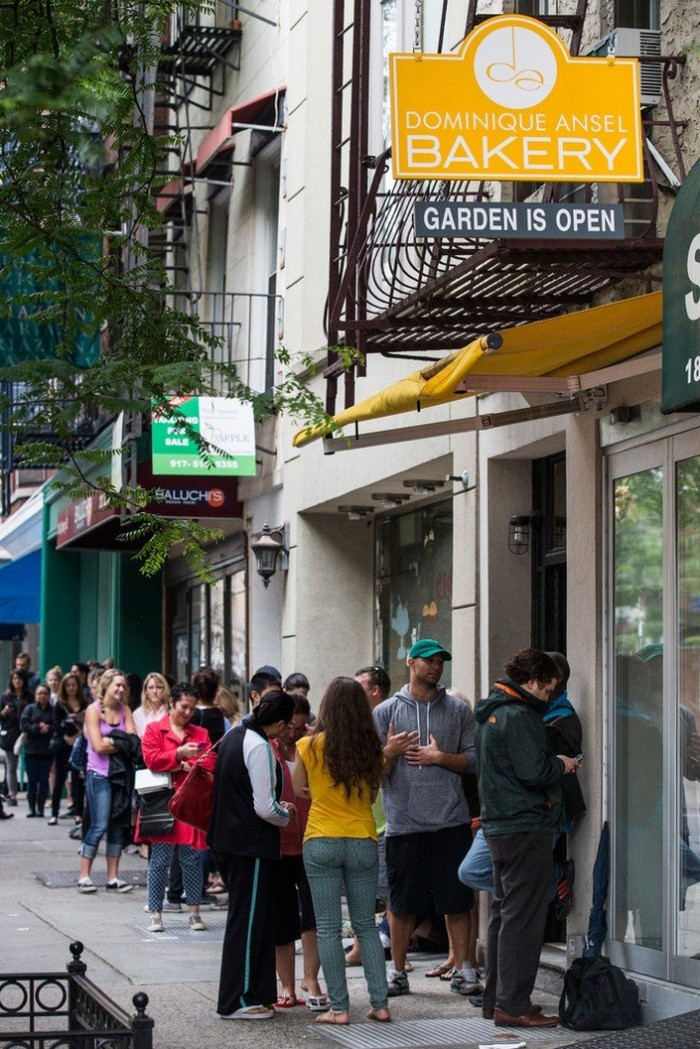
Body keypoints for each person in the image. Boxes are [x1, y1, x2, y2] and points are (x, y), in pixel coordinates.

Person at [475, 648, 580, 1029]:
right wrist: (562, 765)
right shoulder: (518, 715)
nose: (550, 697)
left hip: (502, 827)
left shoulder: (493, 711)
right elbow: (534, 771)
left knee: (505, 915)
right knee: (523, 919)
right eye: (548, 689)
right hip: (525, 827)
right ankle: (513, 1005)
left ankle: (497, 1000)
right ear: (533, 682)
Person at [373, 638, 478, 998]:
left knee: (457, 901)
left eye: (440, 661)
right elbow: (372, 773)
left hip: (451, 822)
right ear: (411, 662)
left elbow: (476, 761)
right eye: (429, 660)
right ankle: (397, 971)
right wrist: (389, 752)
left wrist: (440, 758)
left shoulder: (458, 711)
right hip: (404, 825)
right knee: (401, 904)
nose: (436, 666)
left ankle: (464, 969)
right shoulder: (385, 712)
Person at [293, 676, 390, 1026]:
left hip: (321, 838)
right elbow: (373, 794)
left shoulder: (308, 745)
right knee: (366, 926)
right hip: (362, 838)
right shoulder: (372, 749)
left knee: (328, 928)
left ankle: (339, 1008)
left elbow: (299, 789)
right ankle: (380, 1004)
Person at [209, 689, 295, 1021]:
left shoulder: (235, 735)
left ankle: (253, 994)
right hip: (251, 846)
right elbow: (264, 807)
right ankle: (240, 1000)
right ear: (281, 723)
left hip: (229, 841)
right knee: (247, 924)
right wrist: (285, 813)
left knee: (247, 921)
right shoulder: (259, 746)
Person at [137, 683, 215, 933]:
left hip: (190, 805)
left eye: (192, 708)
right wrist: (179, 756)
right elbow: (151, 759)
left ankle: (194, 912)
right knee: (160, 860)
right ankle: (155, 912)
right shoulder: (154, 729)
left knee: (191, 858)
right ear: (172, 703)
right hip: (163, 803)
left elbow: (209, 762)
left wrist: (185, 763)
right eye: (184, 706)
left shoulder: (200, 733)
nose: (188, 712)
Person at [270, 692, 328, 1011]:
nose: (292, 733)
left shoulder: (313, 744)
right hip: (279, 842)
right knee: (282, 917)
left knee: (312, 914)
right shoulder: (268, 747)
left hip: (311, 838)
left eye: (300, 726)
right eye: (289, 726)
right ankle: (286, 985)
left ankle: (310, 978)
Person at [344, 665, 392, 969]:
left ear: (375, 690)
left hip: (385, 819)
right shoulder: (356, 725)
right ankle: (362, 946)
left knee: (387, 891)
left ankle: (391, 948)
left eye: (359, 687)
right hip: (359, 819)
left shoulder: (388, 721)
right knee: (360, 889)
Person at [78, 668, 138, 894]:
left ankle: (112, 878)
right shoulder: (93, 710)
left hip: (121, 776)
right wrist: (120, 742)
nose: (121, 689)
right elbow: (97, 746)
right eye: (117, 685)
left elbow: (133, 743)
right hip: (99, 774)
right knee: (99, 824)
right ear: (106, 686)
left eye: (124, 686)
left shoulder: (125, 710)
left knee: (117, 826)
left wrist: (112, 740)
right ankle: (84, 876)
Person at [49, 672, 88, 825]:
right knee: (60, 779)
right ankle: (54, 813)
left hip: (79, 745)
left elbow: (87, 723)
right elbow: (56, 725)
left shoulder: (84, 703)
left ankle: (78, 813)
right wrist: (67, 738)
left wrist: (76, 736)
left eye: (73, 685)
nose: (71, 688)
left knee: (78, 780)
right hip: (63, 745)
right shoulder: (60, 704)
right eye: (68, 685)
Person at [20, 683, 54, 817]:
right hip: (31, 750)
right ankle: (31, 808)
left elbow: (58, 726)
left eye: (45, 693)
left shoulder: (53, 710)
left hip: (47, 751)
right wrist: (38, 728)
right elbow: (24, 725)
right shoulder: (29, 709)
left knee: (43, 779)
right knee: (32, 780)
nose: (42, 696)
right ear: (35, 696)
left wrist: (48, 728)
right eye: (40, 693)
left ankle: (41, 809)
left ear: (49, 695)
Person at [0, 668, 33, 805]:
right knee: (11, 766)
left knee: (30, 765)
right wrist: (4, 712)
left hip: (27, 733)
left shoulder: (30, 696)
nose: (17, 681)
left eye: (19, 678)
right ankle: (12, 794)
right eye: (14, 678)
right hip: (11, 734)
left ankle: (32, 792)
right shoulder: (5, 697)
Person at [133, 673, 171, 738]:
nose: (155, 691)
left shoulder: (171, 712)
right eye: (151, 688)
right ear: (146, 691)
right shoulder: (137, 714)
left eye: (159, 687)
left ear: (165, 690)